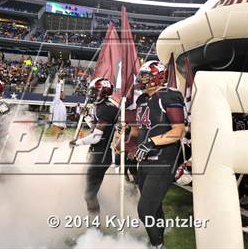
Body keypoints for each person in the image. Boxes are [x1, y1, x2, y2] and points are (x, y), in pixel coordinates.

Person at [130, 60, 185, 249]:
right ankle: (159, 240)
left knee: (145, 210)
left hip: (163, 160)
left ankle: (157, 245)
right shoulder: (142, 99)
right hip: (145, 161)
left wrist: (151, 142)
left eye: (145, 76)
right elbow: (140, 130)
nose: (141, 79)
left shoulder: (169, 95)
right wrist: (125, 140)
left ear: (158, 77)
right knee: (154, 207)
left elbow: (178, 131)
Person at [69, 77, 119, 218]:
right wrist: (86, 116)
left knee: (89, 194)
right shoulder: (102, 106)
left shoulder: (106, 108)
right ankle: (106, 211)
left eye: (93, 91)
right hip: (97, 153)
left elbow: (96, 137)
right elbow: (95, 126)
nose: (90, 94)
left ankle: (95, 226)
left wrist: (77, 142)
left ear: (102, 91)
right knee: (88, 187)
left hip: (101, 154)